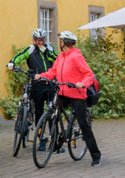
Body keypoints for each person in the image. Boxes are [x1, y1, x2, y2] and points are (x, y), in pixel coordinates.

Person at [38, 31, 102, 166]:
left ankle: (96, 155)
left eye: (60, 41)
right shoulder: (61, 56)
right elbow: (53, 71)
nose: (59, 43)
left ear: (65, 43)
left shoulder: (76, 56)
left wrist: (82, 84)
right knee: (52, 114)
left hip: (77, 94)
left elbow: (88, 74)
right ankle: (56, 142)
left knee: (84, 125)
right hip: (62, 92)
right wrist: (42, 75)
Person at [9, 29, 58, 150]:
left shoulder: (50, 50)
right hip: (38, 85)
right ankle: (41, 139)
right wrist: (12, 63)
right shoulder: (30, 49)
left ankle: (54, 140)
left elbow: (57, 61)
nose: (40, 42)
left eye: (42, 40)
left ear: (45, 40)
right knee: (39, 113)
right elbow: (18, 57)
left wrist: (46, 52)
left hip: (51, 84)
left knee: (53, 113)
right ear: (33, 40)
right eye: (37, 40)